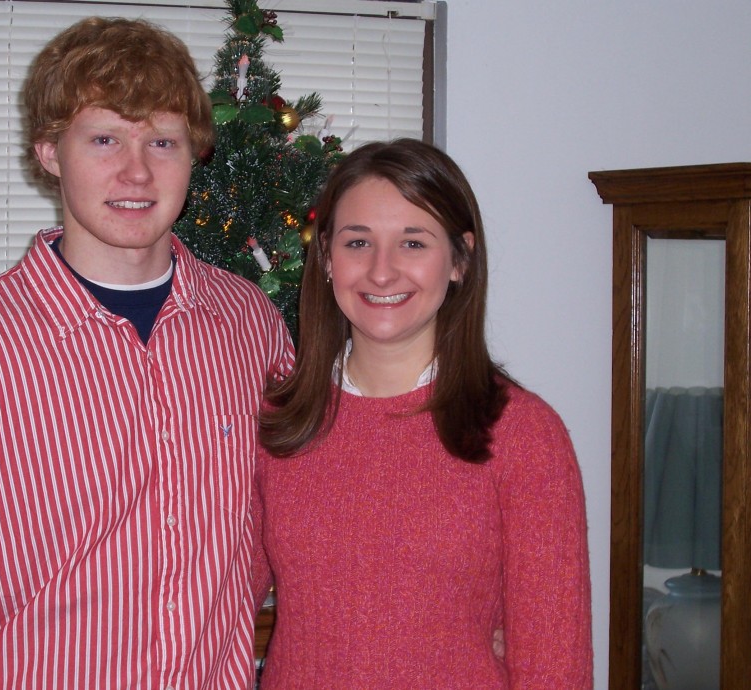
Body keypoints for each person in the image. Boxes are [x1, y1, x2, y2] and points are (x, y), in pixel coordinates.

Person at [0, 17, 293, 689]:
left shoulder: (248, 325)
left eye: (163, 141)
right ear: (48, 150)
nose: (136, 170)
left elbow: (291, 521)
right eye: (104, 138)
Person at [252, 139, 593, 688]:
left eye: (413, 242)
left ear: (459, 260)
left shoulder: (523, 434)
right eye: (358, 241)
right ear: (326, 259)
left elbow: (554, 662)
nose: (382, 272)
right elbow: (212, 601)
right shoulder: (276, 424)